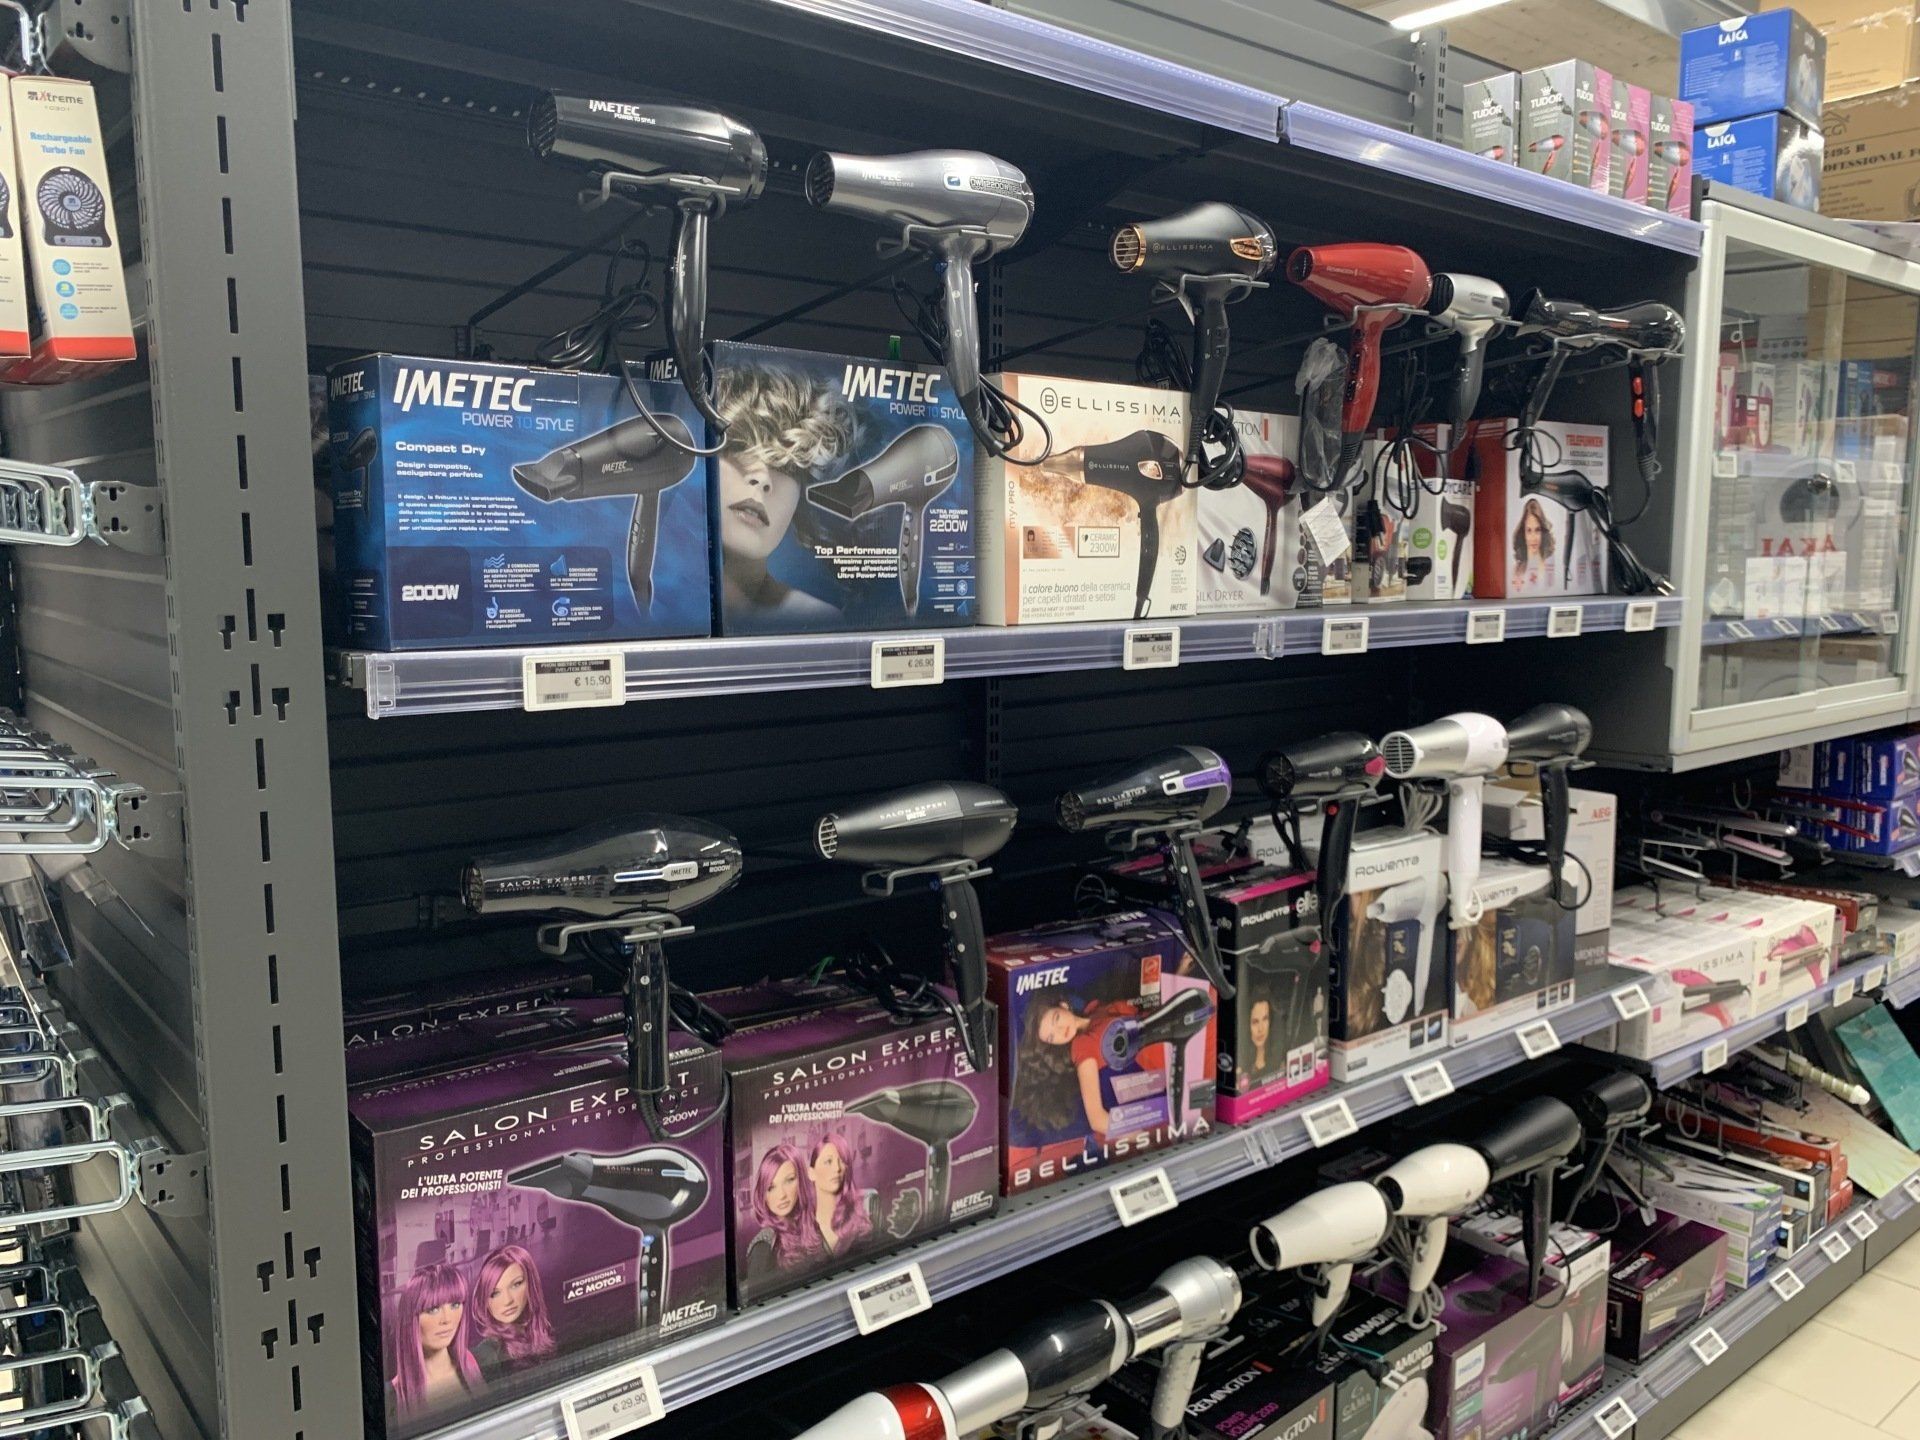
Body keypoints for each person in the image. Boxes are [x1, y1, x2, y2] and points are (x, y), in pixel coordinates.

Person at [714, 360, 863, 630]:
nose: (762, 479)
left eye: (787, 465)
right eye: (740, 446)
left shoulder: (816, 622)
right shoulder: (656, 607)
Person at [1010, 994, 1166, 1145]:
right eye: (1052, 1037)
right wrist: (1148, 1140)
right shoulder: (1081, 1046)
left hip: (1169, 1027)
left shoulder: (1095, 1009)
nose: (1060, 1030)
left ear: (1063, 1005)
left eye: (1056, 1018)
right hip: (1166, 1058)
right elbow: (1097, 1120)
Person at [389, 1262, 484, 1422]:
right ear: (410, 1320)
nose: (447, 1319)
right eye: (433, 1309)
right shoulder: (393, 1396)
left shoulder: (469, 1362)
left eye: (455, 1305)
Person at [467, 1245, 554, 1383]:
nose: (507, 1301)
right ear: (485, 1300)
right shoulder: (486, 1355)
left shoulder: (547, 1332)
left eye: (516, 1284)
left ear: (531, 1283)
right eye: (495, 1293)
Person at [741, 1143, 822, 1285]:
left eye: (789, 1180)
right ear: (763, 1195)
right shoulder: (763, 1246)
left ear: (801, 1180)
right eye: (771, 1187)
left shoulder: (812, 1226)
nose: (782, 1195)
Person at [810, 1133, 878, 1255]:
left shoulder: (865, 1208)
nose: (837, 1168)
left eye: (842, 1161)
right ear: (811, 1173)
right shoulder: (803, 1225)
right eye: (828, 1161)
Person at [1511, 498, 1555, 594]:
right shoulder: (1516, 571)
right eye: (1529, 530)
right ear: (1523, 533)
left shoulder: (1550, 568)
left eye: (1537, 530)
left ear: (1543, 532)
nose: (1533, 538)